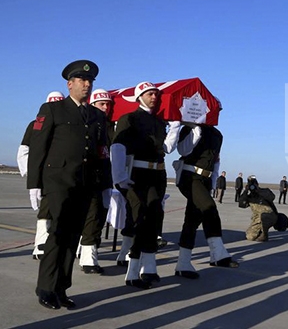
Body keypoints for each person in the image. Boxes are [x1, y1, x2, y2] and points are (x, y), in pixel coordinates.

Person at [28, 60, 108, 310]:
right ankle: (46, 287)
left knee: (73, 236)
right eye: (82, 81)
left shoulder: (96, 115)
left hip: (84, 183)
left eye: (90, 81)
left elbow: (101, 151)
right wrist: (35, 183)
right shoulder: (53, 110)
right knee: (58, 234)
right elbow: (38, 147)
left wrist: (105, 184)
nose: (87, 84)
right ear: (69, 84)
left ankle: (61, 288)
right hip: (58, 182)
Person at [111, 81, 180, 289]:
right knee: (139, 217)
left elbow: (167, 148)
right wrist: (119, 176)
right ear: (139, 96)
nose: (154, 97)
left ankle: (149, 267)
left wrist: (175, 127)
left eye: (155, 94)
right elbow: (117, 147)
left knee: (154, 216)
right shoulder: (129, 119)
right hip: (137, 174)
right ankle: (132, 271)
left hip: (157, 174)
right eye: (150, 93)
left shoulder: (159, 122)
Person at [173, 119, 239, 279]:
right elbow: (183, 150)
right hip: (190, 176)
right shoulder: (189, 128)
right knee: (209, 209)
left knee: (192, 219)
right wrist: (196, 129)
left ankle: (183, 263)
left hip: (205, 179)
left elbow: (216, 160)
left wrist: (214, 182)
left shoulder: (217, 134)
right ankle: (218, 253)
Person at [17, 91, 64, 261]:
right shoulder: (35, 124)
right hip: (45, 173)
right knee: (45, 209)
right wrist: (32, 173)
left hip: (61, 173)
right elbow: (24, 150)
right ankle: (40, 244)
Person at [78, 89, 114, 274]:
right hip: (81, 176)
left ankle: (88, 256)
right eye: (102, 104)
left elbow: (107, 156)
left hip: (101, 177)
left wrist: (109, 182)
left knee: (97, 216)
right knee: (86, 216)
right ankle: (85, 254)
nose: (106, 107)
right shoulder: (84, 122)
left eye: (108, 104)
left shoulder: (110, 127)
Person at [239, 175, 278, 242]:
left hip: (270, 216)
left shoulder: (265, 191)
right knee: (250, 236)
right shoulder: (250, 197)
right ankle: (259, 231)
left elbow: (272, 197)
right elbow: (241, 204)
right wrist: (245, 191)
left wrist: (258, 191)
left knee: (265, 217)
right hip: (257, 219)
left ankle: (264, 234)